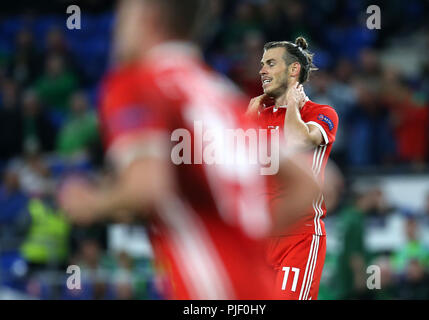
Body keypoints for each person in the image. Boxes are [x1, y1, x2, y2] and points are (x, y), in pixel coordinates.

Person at [60, 0, 319, 300]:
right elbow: (313, 184)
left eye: (122, 14)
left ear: (148, 15)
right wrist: (244, 235)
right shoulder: (218, 91)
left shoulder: (136, 81)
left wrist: (89, 203)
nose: (115, 28)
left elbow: (147, 187)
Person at [246, 37, 339, 300]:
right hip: (258, 239)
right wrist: (246, 120)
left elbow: (298, 139)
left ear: (293, 69)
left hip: (299, 238)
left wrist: (291, 108)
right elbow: (230, 170)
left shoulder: (321, 112)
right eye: (262, 64)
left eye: (270, 63)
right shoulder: (258, 115)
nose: (262, 70)